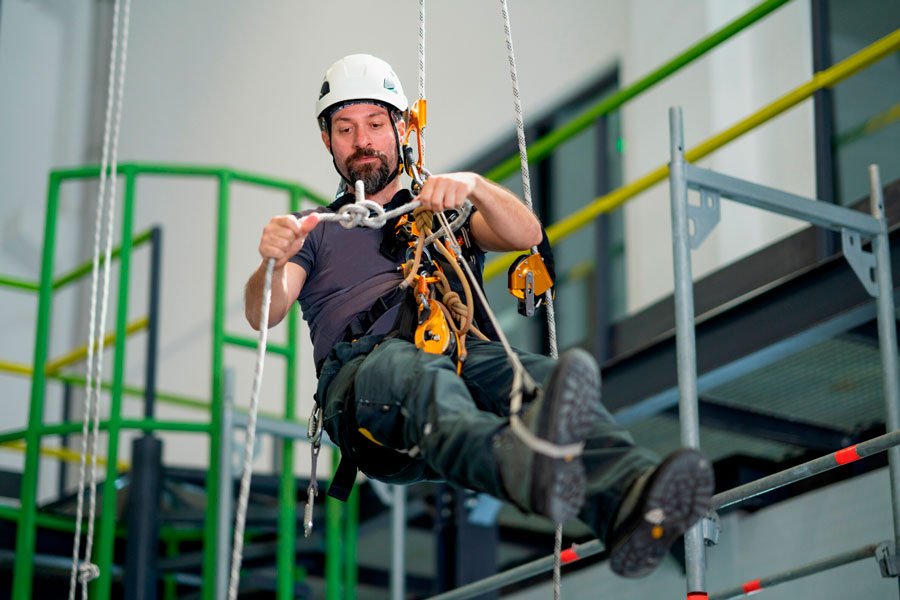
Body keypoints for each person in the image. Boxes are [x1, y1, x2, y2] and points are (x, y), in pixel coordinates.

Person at [245, 54, 714, 578]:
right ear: (329, 140)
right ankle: (513, 463)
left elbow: (526, 236)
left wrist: (473, 185)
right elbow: (265, 312)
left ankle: (628, 503)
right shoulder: (315, 229)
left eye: (376, 124)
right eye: (345, 128)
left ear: (402, 128)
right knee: (412, 370)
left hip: (458, 366)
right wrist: (273, 259)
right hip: (365, 395)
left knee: (543, 378)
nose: (362, 141)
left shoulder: (442, 215)